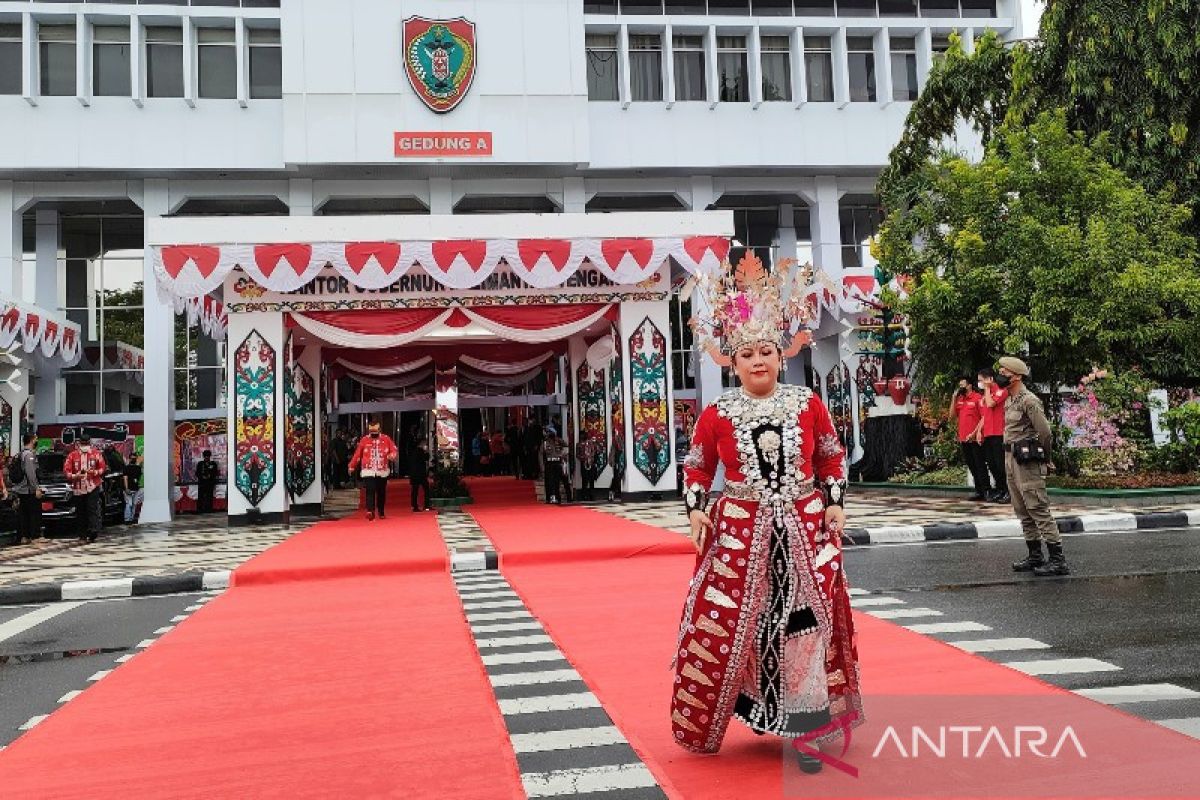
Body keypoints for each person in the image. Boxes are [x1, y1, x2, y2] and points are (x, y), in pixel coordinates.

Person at [673, 254, 862, 771]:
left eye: (766, 352)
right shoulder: (716, 414)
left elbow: (830, 455)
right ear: (732, 364)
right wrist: (695, 512)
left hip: (804, 531)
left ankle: (805, 730)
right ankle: (762, 709)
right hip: (740, 531)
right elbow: (695, 468)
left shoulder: (806, 403)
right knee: (747, 624)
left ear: (781, 356)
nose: (758, 361)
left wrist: (836, 503)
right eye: (747, 355)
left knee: (804, 623)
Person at [997, 357, 1067, 576]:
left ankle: (1058, 560)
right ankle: (1035, 555)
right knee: (1022, 510)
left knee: (1037, 508)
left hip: (1027, 461)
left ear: (1016, 376)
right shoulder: (1010, 400)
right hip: (1010, 458)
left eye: (1004, 371)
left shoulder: (1029, 401)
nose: (1000, 374)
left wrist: (1046, 458)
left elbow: (1045, 432)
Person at [349, 419, 399, 521]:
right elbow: (358, 454)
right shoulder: (364, 440)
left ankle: (381, 511)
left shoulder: (386, 439)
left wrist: (392, 455)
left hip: (382, 470)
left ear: (379, 430)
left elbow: (394, 449)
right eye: (372, 432)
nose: (373, 434)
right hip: (368, 469)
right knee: (370, 490)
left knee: (381, 492)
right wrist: (352, 466)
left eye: (375, 432)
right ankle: (370, 511)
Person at [949, 377, 989, 500]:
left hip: (975, 438)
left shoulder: (977, 398)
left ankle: (987, 490)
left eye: (963, 385)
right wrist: (954, 398)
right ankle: (978, 491)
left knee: (979, 464)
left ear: (970, 385)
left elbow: (984, 417)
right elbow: (951, 416)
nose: (961, 387)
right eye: (959, 385)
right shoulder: (960, 400)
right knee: (971, 465)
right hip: (963, 438)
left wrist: (975, 433)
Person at [64, 434, 108, 543]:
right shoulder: (72, 455)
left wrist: (94, 472)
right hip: (78, 488)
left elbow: (103, 468)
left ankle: (93, 531)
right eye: (83, 444)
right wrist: (75, 476)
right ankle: (82, 535)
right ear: (79, 443)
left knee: (92, 509)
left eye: (86, 443)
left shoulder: (96, 454)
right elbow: (66, 471)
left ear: (89, 443)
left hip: (92, 486)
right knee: (81, 511)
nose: (85, 446)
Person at [977, 367, 1010, 503]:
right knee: (991, 464)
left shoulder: (1001, 391)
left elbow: (991, 404)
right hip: (989, 433)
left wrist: (987, 388)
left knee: (1000, 464)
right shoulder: (987, 394)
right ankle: (1000, 489)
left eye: (981, 380)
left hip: (999, 433)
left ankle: (1008, 491)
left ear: (990, 379)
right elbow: (985, 415)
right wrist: (979, 431)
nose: (979, 383)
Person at [12, 433, 43, 544]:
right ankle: (34, 536)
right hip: (28, 490)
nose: (37, 440)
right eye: (36, 438)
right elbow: (31, 474)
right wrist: (36, 488)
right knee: (33, 513)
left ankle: (23, 537)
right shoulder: (29, 455)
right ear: (31, 440)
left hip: (20, 489)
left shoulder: (19, 454)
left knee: (23, 514)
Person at [541, 427, 563, 504]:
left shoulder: (558, 441)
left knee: (557, 481)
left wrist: (562, 456)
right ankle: (549, 498)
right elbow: (540, 455)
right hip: (549, 463)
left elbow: (566, 446)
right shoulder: (545, 443)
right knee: (549, 481)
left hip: (557, 463)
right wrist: (542, 466)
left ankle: (557, 497)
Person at [408, 440, 431, 512]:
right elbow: (426, 458)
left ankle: (414, 506)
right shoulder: (421, 451)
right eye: (425, 445)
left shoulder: (413, 451)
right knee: (426, 489)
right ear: (422, 445)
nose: (426, 446)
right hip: (420, 474)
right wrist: (427, 452)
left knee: (415, 490)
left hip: (414, 474)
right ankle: (426, 505)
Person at [195, 450, 219, 514]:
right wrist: (202, 477)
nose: (206, 458)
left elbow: (216, 472)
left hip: (210, 483)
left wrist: (210, 476)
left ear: (210, 457)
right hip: (202, 483)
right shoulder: (200, 463)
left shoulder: (213, 464)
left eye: (208, 456)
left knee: (209, 496)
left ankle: (209, 509)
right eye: (205, 456)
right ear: (203, 456)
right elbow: (197, 473)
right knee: (200, 496)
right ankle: (199, 510)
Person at [123, 452, 144, 524]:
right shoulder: (138, 468)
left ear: (129, 459)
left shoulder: (126, 468)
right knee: (134, 504)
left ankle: (127, 519)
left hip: (129, 488)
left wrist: (126, 488)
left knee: (129, 504)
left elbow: (125, 478)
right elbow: (139, 477)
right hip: (136, 488)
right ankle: (131, 518)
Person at [577, 430, 597, 501]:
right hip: (584, 464)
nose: (583, 436)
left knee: (591, 480)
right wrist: (583, 458)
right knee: (584, 480)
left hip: (591, 463)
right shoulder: (578, 444)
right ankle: (584, 496)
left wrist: (590, 457)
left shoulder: (591, 443)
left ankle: (592, 495)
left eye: (584, 435)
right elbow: (578, 455)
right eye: (582, 435)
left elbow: (594, 451)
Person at [608, 438, 625, 503]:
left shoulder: (624, 444)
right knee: (616, 477)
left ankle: (614, 491)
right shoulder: (614, 445)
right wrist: (611, 462)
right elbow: (611, 454)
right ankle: (612, 491)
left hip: (622, 463)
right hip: (616, 463)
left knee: (619, 477)